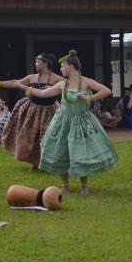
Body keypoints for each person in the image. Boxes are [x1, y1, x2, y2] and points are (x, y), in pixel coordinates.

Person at [13, 50, 118, 195]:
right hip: (62, 121)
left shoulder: (86, 81)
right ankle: (65, 185)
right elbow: (42, 93)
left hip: (81, 121)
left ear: (71, 66)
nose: (61, 69)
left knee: (81, 152)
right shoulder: (63, 84)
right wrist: (23, 87)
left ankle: (84, 186)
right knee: (60, 150)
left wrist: (89, 98)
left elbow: (106, 90)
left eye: (63, 66)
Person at [0, 53, 63, 169]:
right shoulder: (32, 77)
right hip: (32, 110)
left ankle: (46, 162)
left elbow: (69, 87)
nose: (35, 64)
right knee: (31, 136)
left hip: (49, 110)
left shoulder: (57, 79)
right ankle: (34, 162)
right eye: (35, 61)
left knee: (47, 137)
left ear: (46, 63)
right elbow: (14, 83)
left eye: (38, 62)